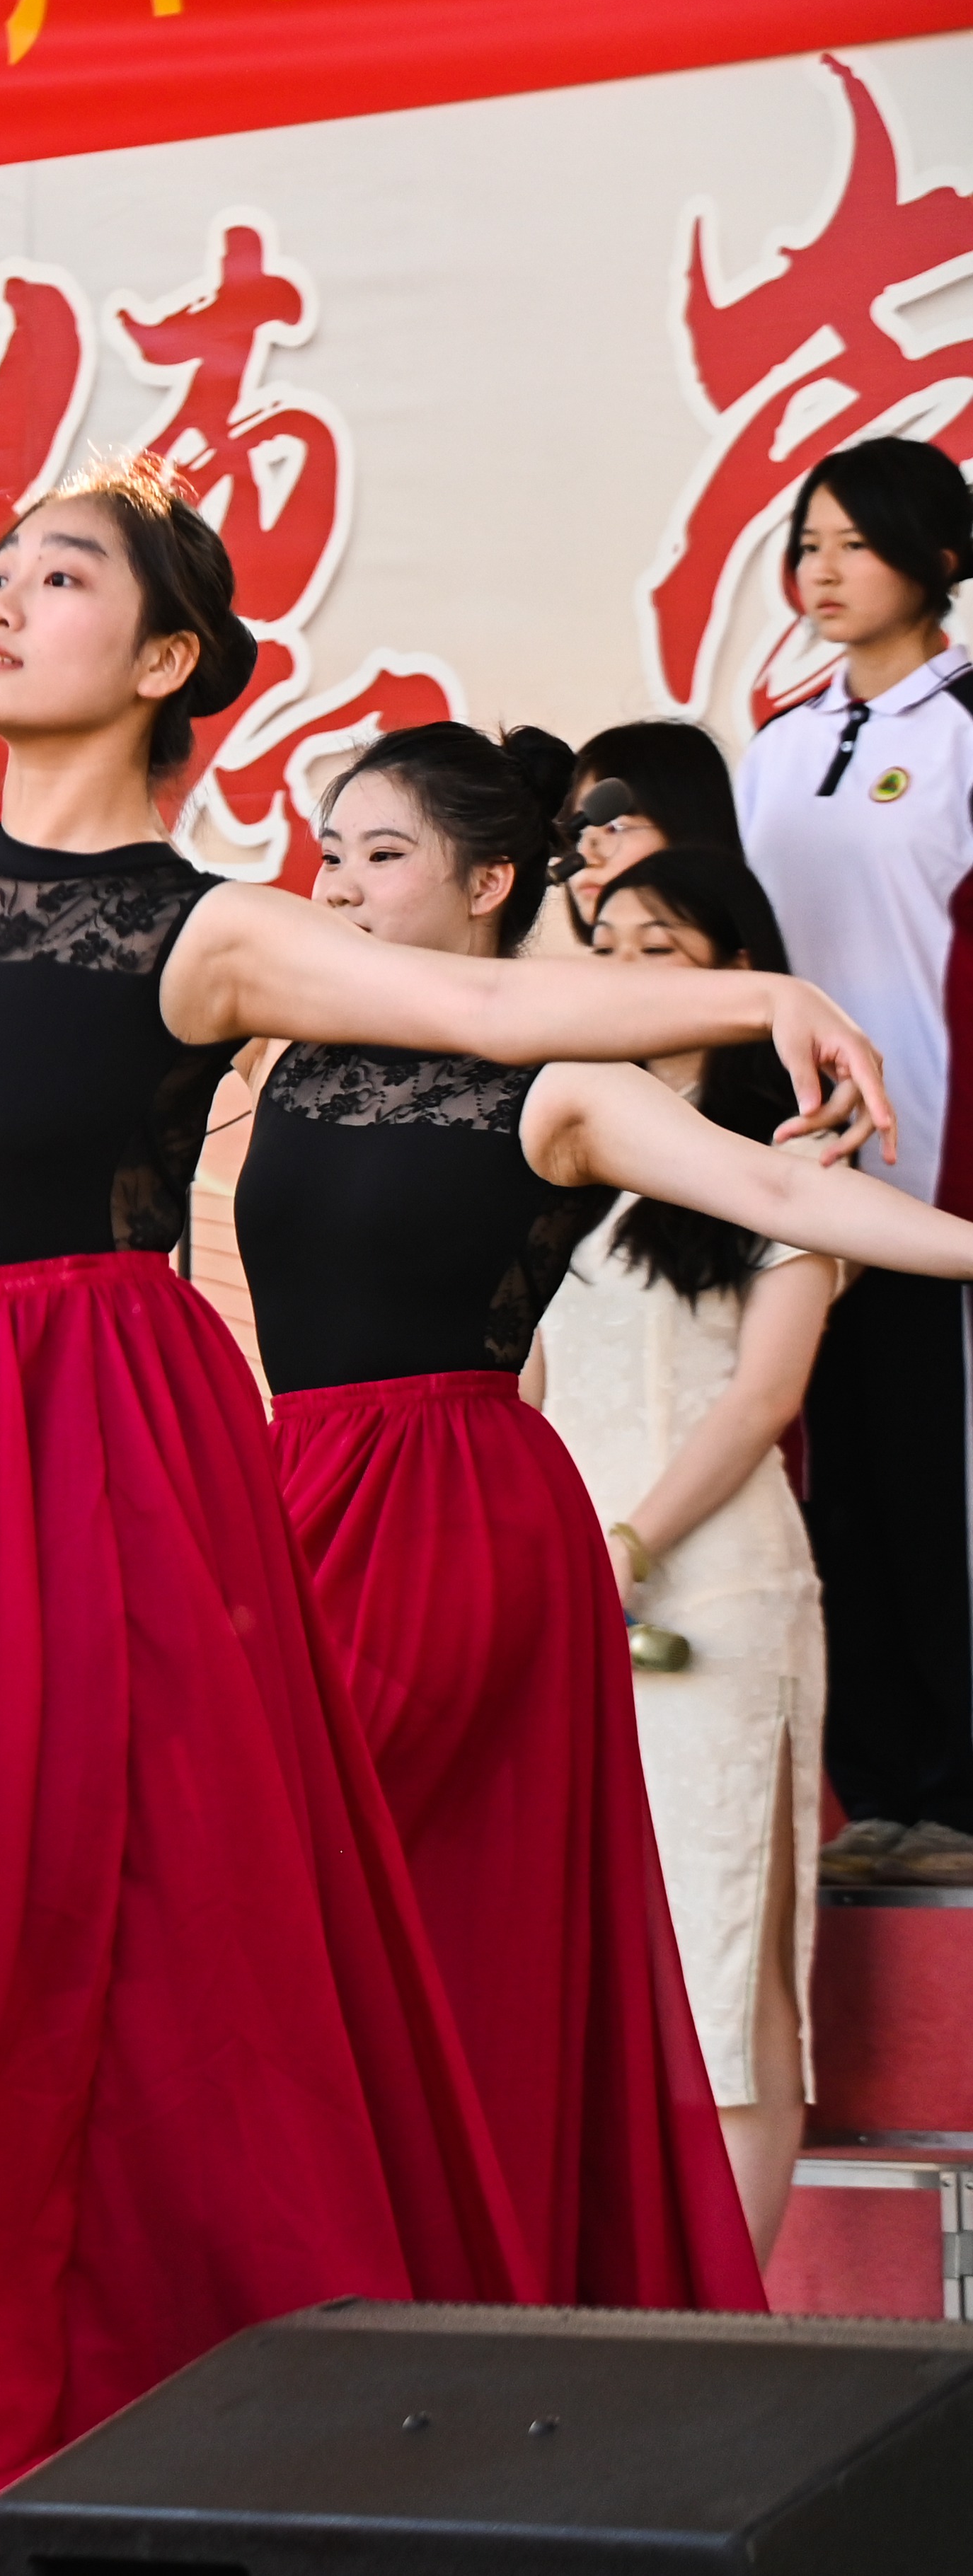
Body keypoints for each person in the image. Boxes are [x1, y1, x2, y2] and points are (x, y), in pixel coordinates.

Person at [0, 64, 894, 2551]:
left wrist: (739, 1008)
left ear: (164, 660)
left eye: (60, 575)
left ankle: (149, 2387)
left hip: (103, 1441)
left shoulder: (209, 926)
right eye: (8, 568)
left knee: (63, 1929)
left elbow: (495, 1017)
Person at [245, 733, 973, 2304]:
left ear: (486, 883)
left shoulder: (562, 1087)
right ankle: (364, 2293)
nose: (336, 883)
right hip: (285, 1499)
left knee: (347, 1919)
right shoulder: (285, 1032)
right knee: (310, 1924)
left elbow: (781, 1199)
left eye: (378, 853)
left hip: (447, 1514)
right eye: (328, 848)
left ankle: (492, 2311)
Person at [536, 848, 858, 2255]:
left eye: (657, 945)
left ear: (741, 974)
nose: (619, 970)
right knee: (599, 1971)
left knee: (726, 1963)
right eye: (602, 942)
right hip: (566, 1591)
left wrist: (627, 1540)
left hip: (712, 1593)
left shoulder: (780, 1172)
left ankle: (718, 2334)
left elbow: (761, 1396)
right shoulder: (548, 1156)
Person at [726, 438, 973, 1875]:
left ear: (935, 558)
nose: (816, 570)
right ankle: (881, 1787)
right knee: (841, 1475)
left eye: (848, 543)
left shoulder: (961, 730)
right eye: (802, 543)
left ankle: (954, 1785)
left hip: (940, 1177)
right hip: (799, 1179)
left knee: (940, 1473)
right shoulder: (771, 743)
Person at [551, 719, 744, 940]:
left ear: (691, 832)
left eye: (614, 828)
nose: (585, 857)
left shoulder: (746, 973)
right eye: (574, 835)